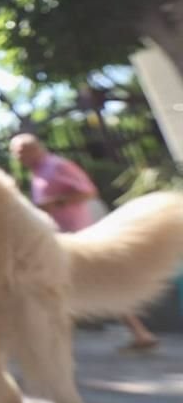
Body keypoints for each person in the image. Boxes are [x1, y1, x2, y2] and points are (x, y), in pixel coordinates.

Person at [10, 133, 160, 352]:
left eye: (21, 151)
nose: (18, 157)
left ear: (35, 148)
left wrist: (53, 204)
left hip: (77, 235)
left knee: (102, 283)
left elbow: (88, 192)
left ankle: (140, 332)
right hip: (58, 238)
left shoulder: (57, 166)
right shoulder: (38, 173)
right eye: (15, 153)